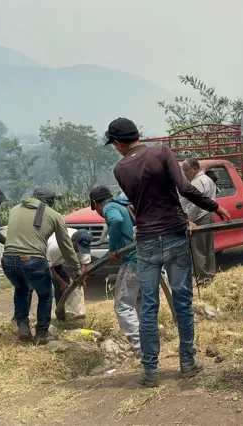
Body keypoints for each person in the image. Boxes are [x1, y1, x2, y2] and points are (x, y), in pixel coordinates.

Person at [106, 117, 230, 387]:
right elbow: (184, 188)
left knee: (149, 305)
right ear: (138, 134)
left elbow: (138, 202)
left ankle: (150, 370)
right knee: (182, 299)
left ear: (117, 143)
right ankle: (187, 361)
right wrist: (214, 207)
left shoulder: (120, 169)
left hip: (147, 240)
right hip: (174, 233)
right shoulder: (161, 152)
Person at [2, 188, 82, 345]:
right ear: (50, 202)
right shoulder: (54, 215)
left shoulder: (14, 209)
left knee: (21, 289)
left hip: (8, 260)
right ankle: (41, 334)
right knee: (45, 294)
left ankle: (23, 325)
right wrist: (76, 269)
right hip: (32, 260)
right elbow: (66, 246)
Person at [89, 185, 141, 354]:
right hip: (142, 258)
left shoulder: (110, 207)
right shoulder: (122, 204)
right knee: (140, 302)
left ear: (95, 203)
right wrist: (94, 267)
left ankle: (140, 347)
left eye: (94, 207)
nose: (97, 211)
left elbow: (116, 221)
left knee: (123, 306)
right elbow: (114, 251)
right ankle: (149, 340)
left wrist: (111, 249)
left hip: (132, 261)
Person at [180, 158, 217, 285]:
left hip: (199, 218)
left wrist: (188, 219)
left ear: (195, 169)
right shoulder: (208, 179)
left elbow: (194, 204)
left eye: (186, 170)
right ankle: (210, 275)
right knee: (208, 248)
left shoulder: (197, 182)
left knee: (198, 250)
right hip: (207, 215)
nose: (185, 173)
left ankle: (203, 279)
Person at [47, 228, 93, 320]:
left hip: (56, 260)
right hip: (41, 258)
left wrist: (81, 278)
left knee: (66, 283)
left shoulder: (82, 242)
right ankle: (54, 317)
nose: (78, 251)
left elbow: (82, 262)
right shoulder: (56, 246)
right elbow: (48, 266)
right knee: (45, 289)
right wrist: (60, 282)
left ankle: (62, 315)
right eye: (77, 248)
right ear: (72, 241)